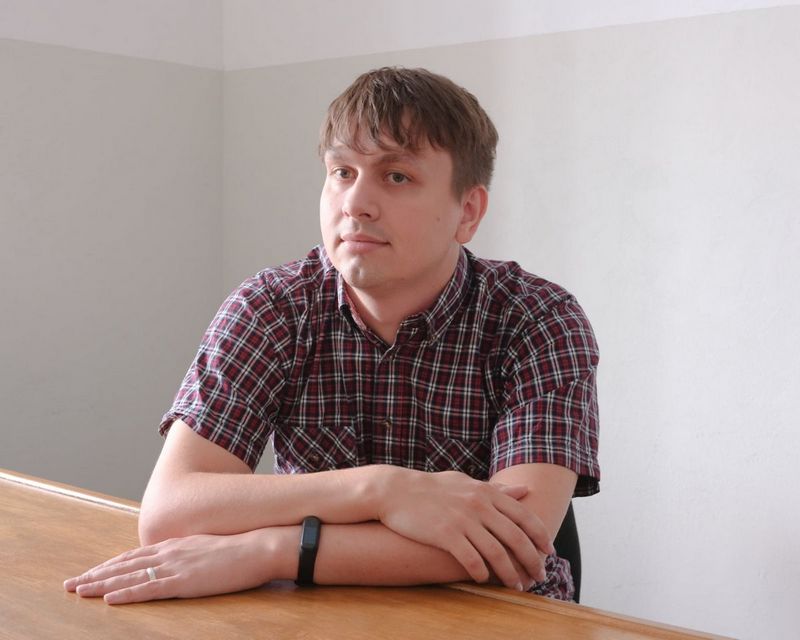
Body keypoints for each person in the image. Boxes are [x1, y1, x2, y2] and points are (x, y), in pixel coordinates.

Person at [64, 67, 600, 606]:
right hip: (318, 614)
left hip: (496, 616)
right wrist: (382, 489)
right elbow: (169, 511)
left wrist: (271, 549)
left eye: (397, 177)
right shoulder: (272, 308)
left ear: (468, 211)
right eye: (342, 172)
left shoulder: (537, 318)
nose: (355, 203)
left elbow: (516, 545)